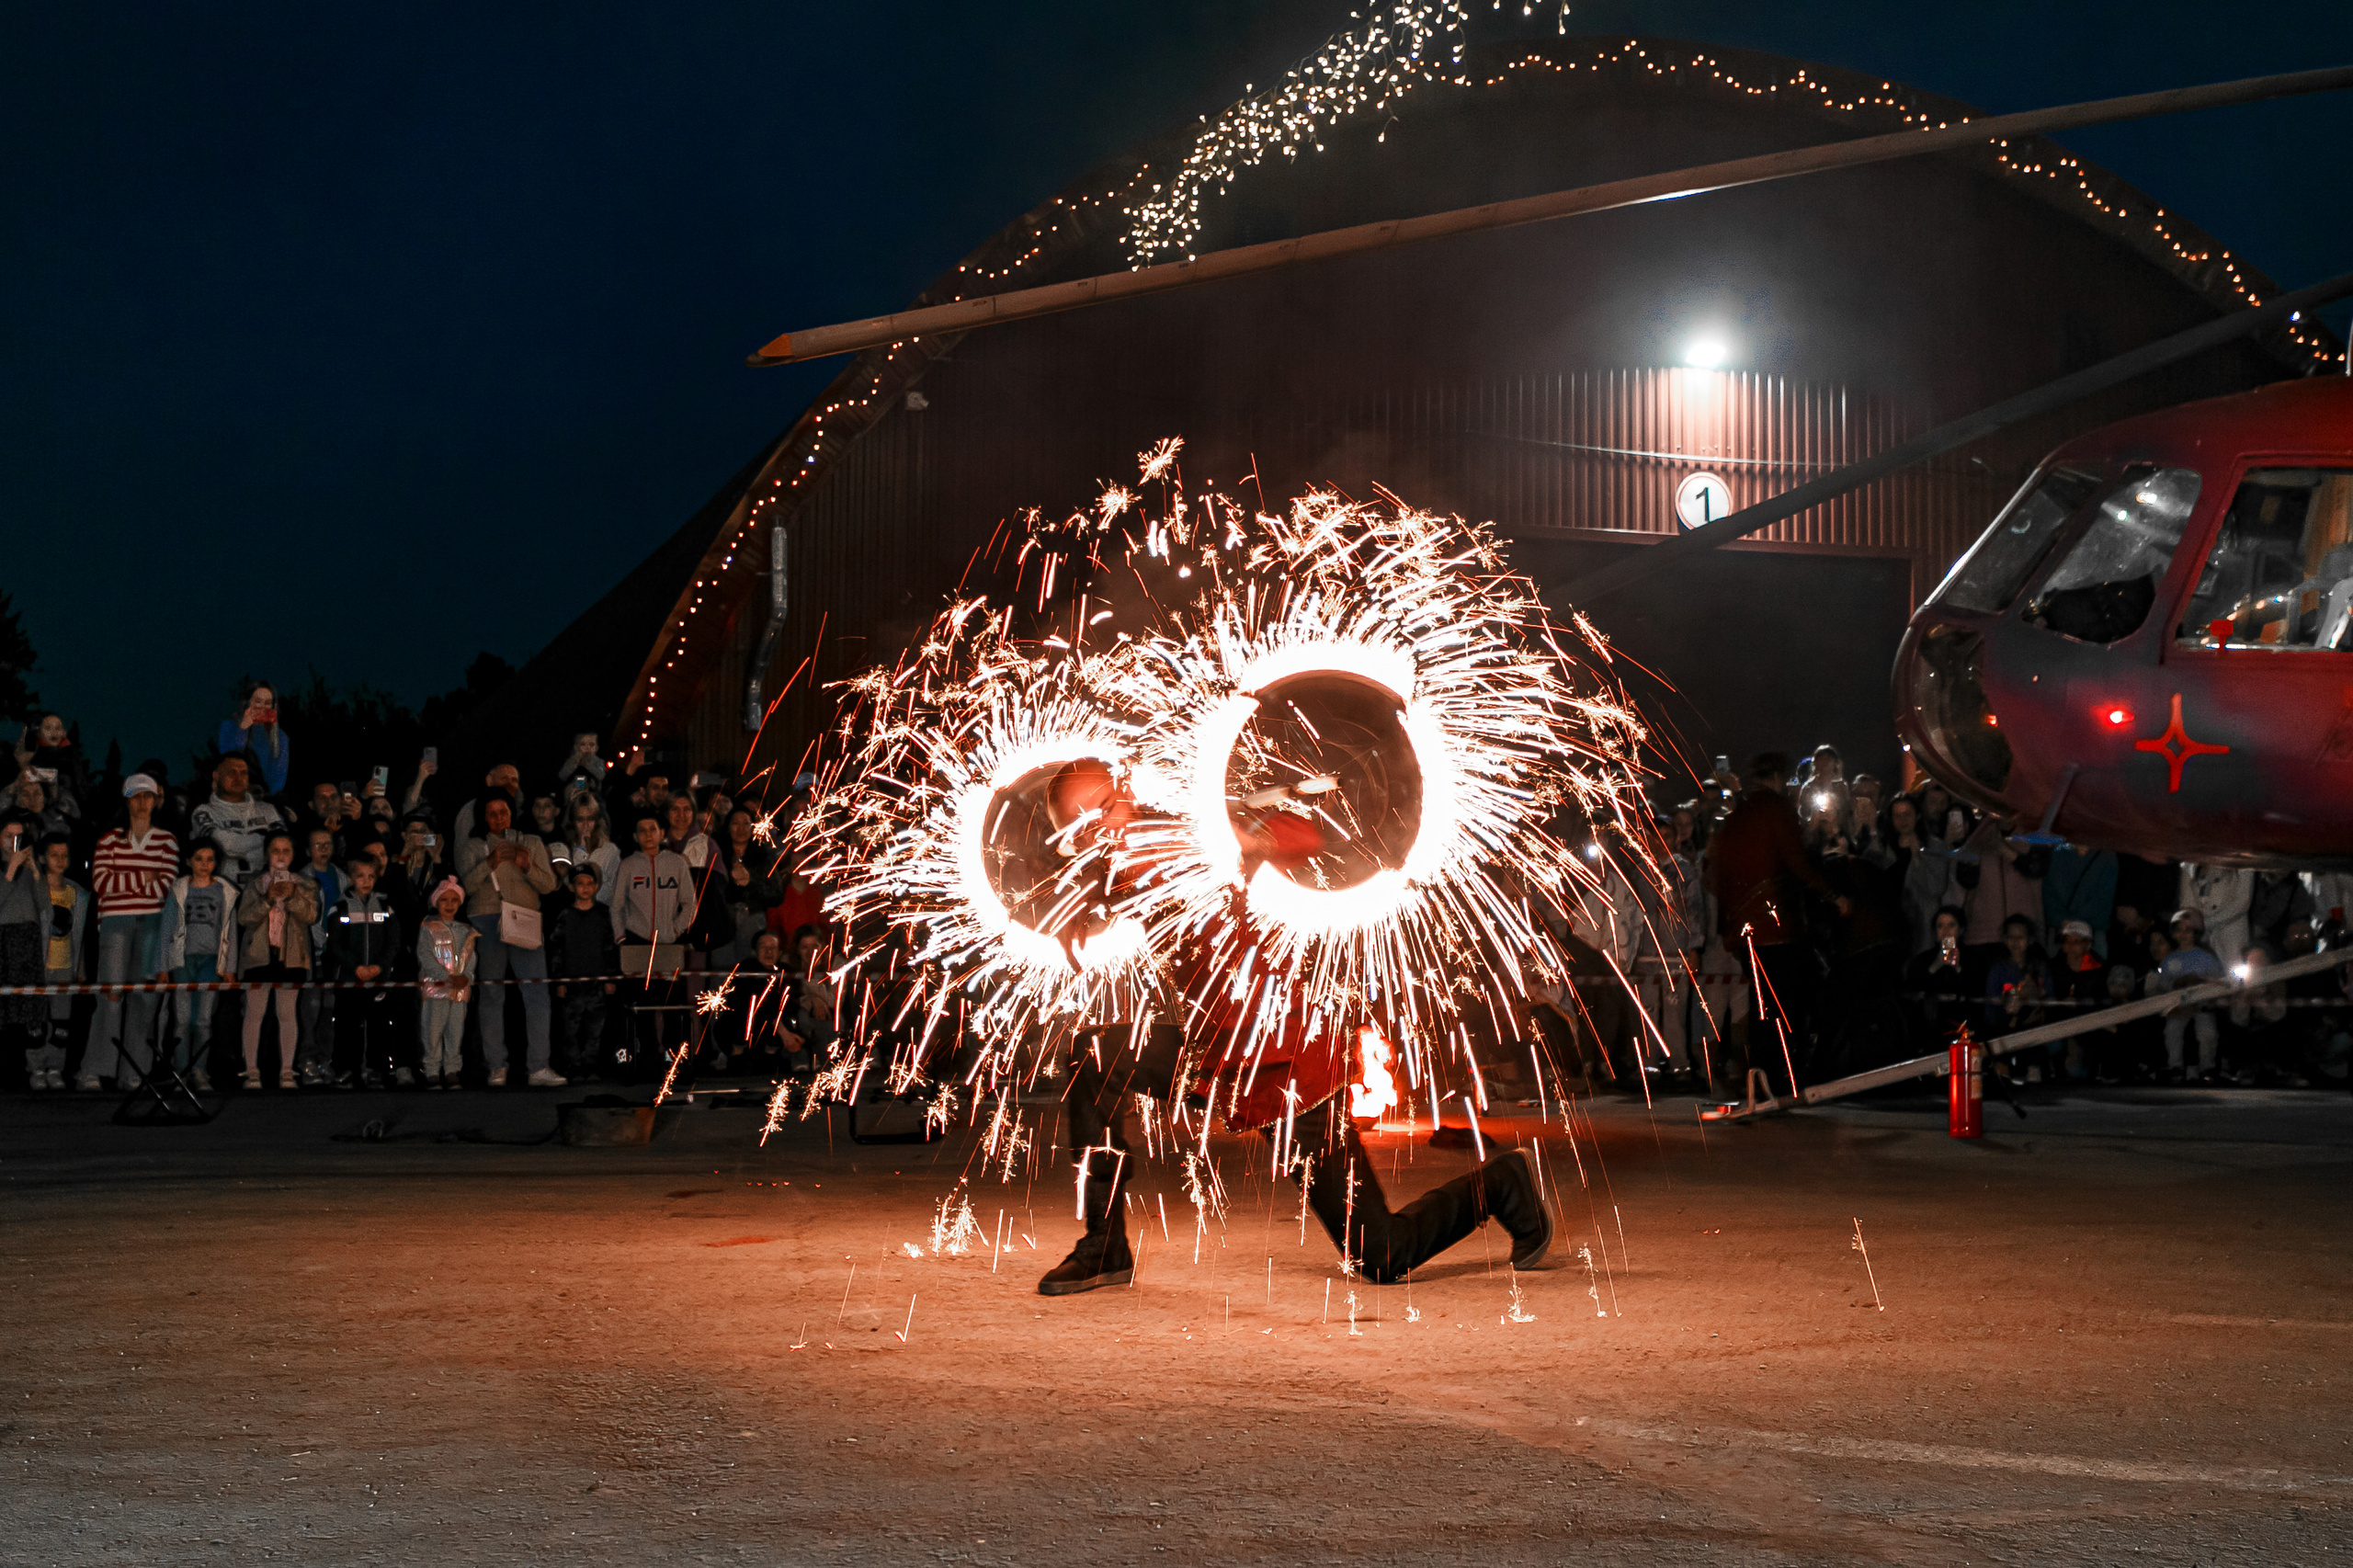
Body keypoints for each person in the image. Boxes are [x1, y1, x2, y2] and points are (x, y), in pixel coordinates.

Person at [1033, 759, 1551, 1298]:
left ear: (1126, 794)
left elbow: (1307, 836)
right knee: (1093, 1054)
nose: (1098, 832)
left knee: (1380, 1254)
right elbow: (1109, 887)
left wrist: (1249, 838)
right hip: (1216, 1059)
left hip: (1289, 1066)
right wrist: (1081, 908)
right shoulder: (1118, 866)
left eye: (1103, 812)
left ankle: (1502, 1184)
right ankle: (1104, 1247)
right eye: (1081, 829)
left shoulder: (1189, 832)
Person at [1705, 753, 1847, 1087]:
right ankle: (1783, 1074)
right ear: (1778, 778)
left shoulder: (1738, 816)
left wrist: (1729, 923)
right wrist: (1832, 894)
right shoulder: (1777, 809)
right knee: (1785, 1003)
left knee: (1761, 1005)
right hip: (1779, 929)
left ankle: (1759, 1074)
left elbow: (1715, 873)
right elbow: (1796, 862)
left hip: (1745, 931)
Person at [455, 790, 563, 1088]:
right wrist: (488, 862)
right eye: (492, 814)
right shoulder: (474, 846)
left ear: (511, 813)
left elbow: (549, 885)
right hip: (486, 920)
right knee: (492, 995)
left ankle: (539, 1066)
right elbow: (467, 887)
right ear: (484, 817)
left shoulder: (531, 842)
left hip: (524, 919)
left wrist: (526, 864)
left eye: (503, 812)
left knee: (537, 993)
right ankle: (496, 1067)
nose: (499, 818)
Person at [83, 774, 179, 1091]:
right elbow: (100, 882)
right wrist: (144, 877)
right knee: (110, 996)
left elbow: (166, 885)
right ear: (126, 800)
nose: (142, 802)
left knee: (144, 999)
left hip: (152, 923)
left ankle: (133, 1071)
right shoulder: (109, 839)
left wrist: (126, 880)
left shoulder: (166, 840)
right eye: (136, 796)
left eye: (147, 796)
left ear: (155, 800)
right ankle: (95, 1069)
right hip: (115, 921)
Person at [610, 812, 696, 1076]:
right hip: (637, 944)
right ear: (635, 836)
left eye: (652, 829)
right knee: (641, 1007)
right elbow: (616, 906)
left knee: (673, 1006)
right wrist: (622, 938)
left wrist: (676, 929)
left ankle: (676, 1060)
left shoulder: (677, 863)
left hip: (668, 944)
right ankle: (647, 1058)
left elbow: (690, 903)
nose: (648, 835)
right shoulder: (628, 865)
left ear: (662, 833)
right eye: (642, 830)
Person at [234, 828, 319, 1088]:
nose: (280, 856)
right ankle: (251, 1071)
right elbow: (243, 918)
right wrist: (267, 898)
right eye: (275, 850)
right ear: (266, 854)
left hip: (291, 958)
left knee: (287, 1013)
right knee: (254, 1013)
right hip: (259, 957)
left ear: (293, 855)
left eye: (286, 851)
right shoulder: (254, 884)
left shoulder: (305, 884)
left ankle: (287, 1071)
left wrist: (292, 895)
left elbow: (310, 916)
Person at [157, 840, 235, 1093]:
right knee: (182, 1020)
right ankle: (181, 1071)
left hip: (211, 961)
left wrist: (230, 967)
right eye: (199, 859)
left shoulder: (224, 891)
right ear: (189, 861)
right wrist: (162, 966)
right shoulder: (179, 889)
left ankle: (200, 1071)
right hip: (183, 960)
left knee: (202, 1020)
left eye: (210, 859)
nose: (204, 864)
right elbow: (166, 928)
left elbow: (230, 931)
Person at [320, 857, 402, 1088]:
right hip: (349, 979)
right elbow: (334, 945)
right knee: (346, 1026)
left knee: (379, 1025)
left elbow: (393, 942)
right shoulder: (340, 907)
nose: (366, 881)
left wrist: (379, 967)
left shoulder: (386, 908)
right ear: (350, 878)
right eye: (360, 876)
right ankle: (346, 1069)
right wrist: (355, 967)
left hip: (378, 979)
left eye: (371, 876)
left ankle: (376, 1069)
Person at [546, 865, 618, 1081]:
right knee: (570, 1030)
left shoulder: (603, 915)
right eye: (580, 883)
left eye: (589, 883)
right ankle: (574, 1067)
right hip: (573, 983)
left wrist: (610, 978)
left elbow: (610, 948)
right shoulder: (565, 916)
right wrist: (560, 980)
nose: (585, 888)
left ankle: (591, 1066)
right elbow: (557, 950)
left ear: (596, 886)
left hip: (597, 983)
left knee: (596, 1029)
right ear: (572, 887)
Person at [292, 826, 350, 1085]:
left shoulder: (343, 878)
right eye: (318, 845)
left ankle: (326, 1061)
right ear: (308, 850)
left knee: (329, 1009)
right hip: (311, 953)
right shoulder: (300, 878)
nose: (324, 849)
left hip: (334, 954)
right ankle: (306, 1060)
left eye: (327, 844)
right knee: (310, 1009)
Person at [32, 835, 88, 1091]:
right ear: (42, 858)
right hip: (38, 966)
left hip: (65, 965)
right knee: (36, 1022)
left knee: (61, 1023)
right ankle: (36, 1069)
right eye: (54, 855)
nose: (60, 860)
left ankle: (55, 1068)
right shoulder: (34, 889)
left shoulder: (76, 892)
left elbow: (80, 933)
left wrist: (80, 967)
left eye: (64, 855)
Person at [188, 753, 285, 886]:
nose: (238, 778)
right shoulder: (204, 812)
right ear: (216, 776)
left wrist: (238, 848)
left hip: (267, 890)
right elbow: (224, 845)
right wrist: (263, 840)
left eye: (243, 773)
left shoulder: (268, 810)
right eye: (231, 773)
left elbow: (282, 847)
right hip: (221, 891)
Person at [415, 877, 476, 1089]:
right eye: (444, 900)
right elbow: (425, 956)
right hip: (436, 990)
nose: (449, 905)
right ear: (436, 902)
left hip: (459, 992)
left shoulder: (466, 930)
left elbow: (471, 957)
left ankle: (452, 1070)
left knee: (455, 1031)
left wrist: (467, 977)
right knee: (432, 1031)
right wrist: (446, 976)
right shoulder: (428, 928)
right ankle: (432, 1070)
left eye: (454, 900)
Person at [0, 814, 45, 1085]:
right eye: (8, 836)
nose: (13, 842)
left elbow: (44, 904)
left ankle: (22, 1072)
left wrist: (35, 871)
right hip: (3, 942)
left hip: (27, 942)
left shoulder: (29, 869)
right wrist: (10, 870)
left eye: (19, 837)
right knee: (4, 1008)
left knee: (26, 1009)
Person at [2157, 908, 2226, 1084]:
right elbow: (2163, 985)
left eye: (2188, 931)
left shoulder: (2206, 958)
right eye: (2179, 930)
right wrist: (2177, 985)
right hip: (2178, 1006)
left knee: (2207, 1033)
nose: (2183, 935)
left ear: (2196, 933)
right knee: (2172, 1031)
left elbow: (2218, 982)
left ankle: (2207, 1067)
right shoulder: (2169, 960)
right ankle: (2175, 1067)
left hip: (2202, 1006)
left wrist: (2200, 983)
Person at [708, 807, 781, 968]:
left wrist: (750, 882)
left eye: (746, 824)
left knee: (750, 968)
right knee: (721, 969)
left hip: (753, 920)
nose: (741, 829)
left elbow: (776, 894)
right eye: (736, 823)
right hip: (723, 920)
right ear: (728, 827)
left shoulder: (763, 856)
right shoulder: (716, 854)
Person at [12, 713, 91, 826]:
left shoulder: (70, 756)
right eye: (48, 728)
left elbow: (79, 786)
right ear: (38, 732)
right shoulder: (32, 755)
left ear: (64, 733)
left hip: (63, 811)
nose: (53, 732)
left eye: (57, 728)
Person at [217, 681, 291, 799]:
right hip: (232, 793)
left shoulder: (280, 738)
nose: (262, 707)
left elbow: (278, 777)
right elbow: (227, 759)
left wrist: (266, 798)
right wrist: (242, 729)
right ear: (248, 703)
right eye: (258, 702)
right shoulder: (228, 727)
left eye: (267, 703)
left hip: (264, 797)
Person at [564, 795, 620, 905]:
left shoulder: (609, 850)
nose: (585, 825)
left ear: (597, 821)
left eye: (590, 819)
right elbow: (570, 889)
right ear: (573, 822)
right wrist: (580, 851)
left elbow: (615, 891)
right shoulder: (566, 851)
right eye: (580, 819)